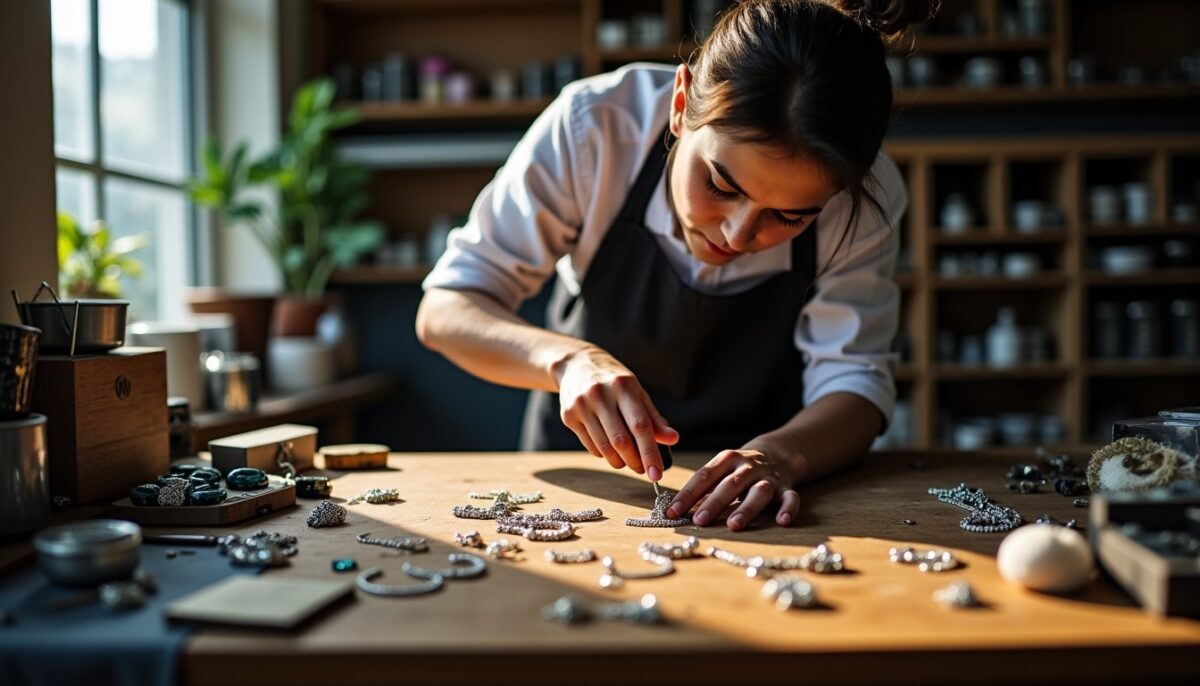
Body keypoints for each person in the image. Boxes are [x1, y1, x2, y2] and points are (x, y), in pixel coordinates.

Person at [417, 0, 938, 531]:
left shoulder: (859, 198)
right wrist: (566, 362)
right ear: (681, 102)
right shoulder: (594, 127)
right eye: (720, 185)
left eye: (788, 217)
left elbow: (854, 384)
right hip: (587, 486)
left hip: (753, 500)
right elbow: (447, 309)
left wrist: (781, 457)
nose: (737, 234)